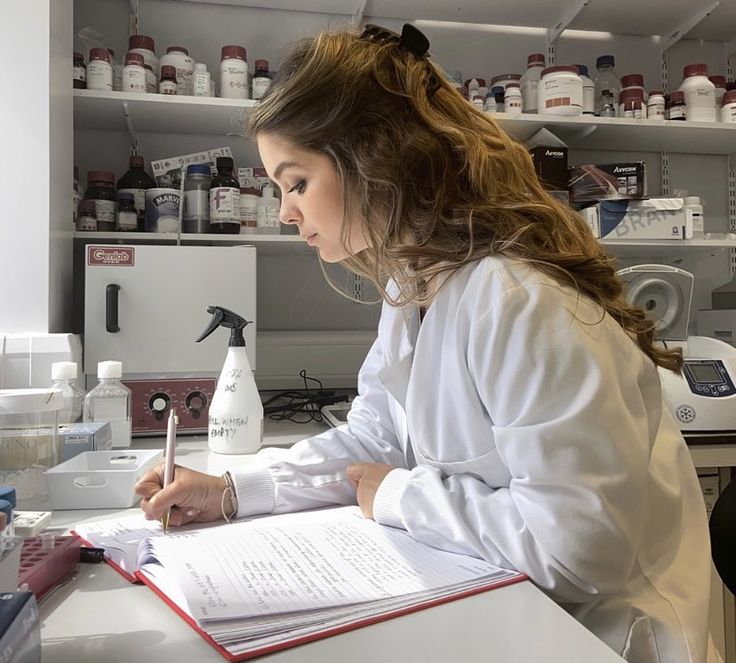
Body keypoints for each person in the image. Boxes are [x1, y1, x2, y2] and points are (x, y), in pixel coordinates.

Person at [135, 24, 713, 663]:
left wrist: (400, 496)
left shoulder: (518, 299)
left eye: (296, 183)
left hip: (605, 636)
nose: (285, 213)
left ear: (372, 157)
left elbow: (578, 551)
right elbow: (374, 439)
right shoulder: (413, 286)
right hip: (507, 609)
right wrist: (232, 490)